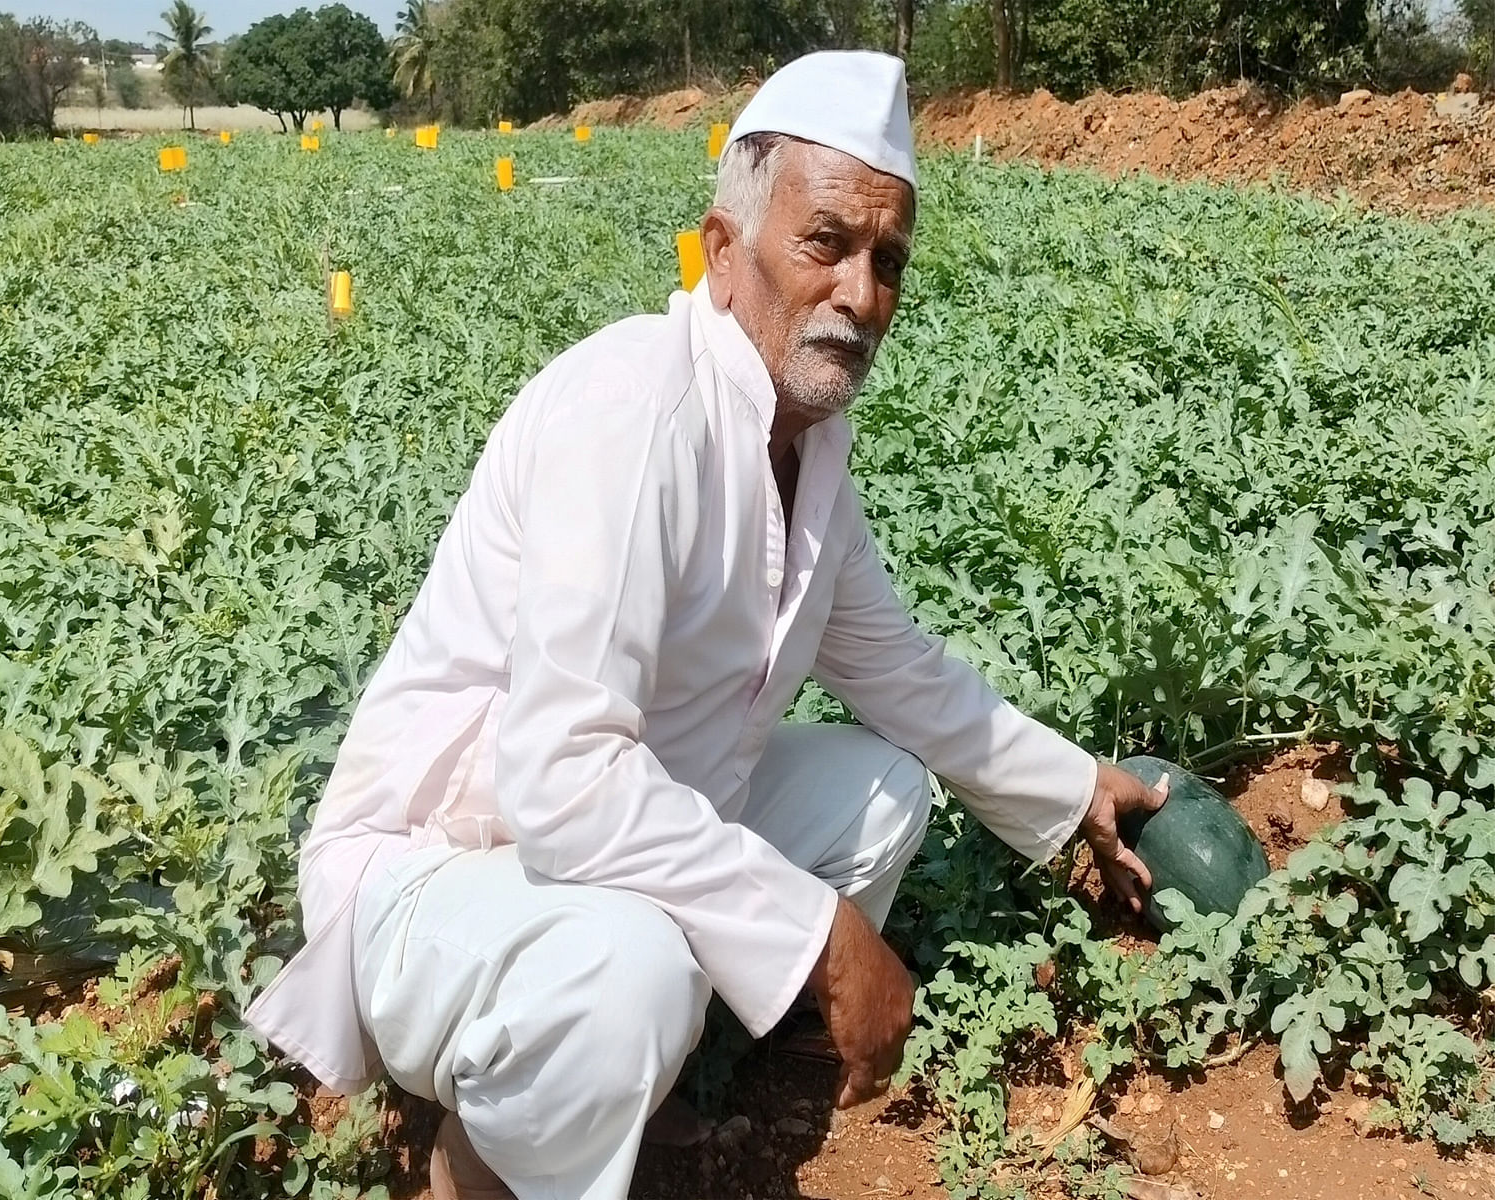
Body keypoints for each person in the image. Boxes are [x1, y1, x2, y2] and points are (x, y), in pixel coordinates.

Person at [247, 50, 1168, 1200]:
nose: (862, 294)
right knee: (622, 977)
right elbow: (564, 779)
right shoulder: (632, 413)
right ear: (724, 252)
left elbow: (896, 670)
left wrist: (1075, 786)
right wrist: (818, 934)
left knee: (880, 795)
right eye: (825, 242)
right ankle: (479, 1156)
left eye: (888, 261)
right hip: (442, 865)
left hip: (611, 841)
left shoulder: (810, 449)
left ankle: (647, 1073)